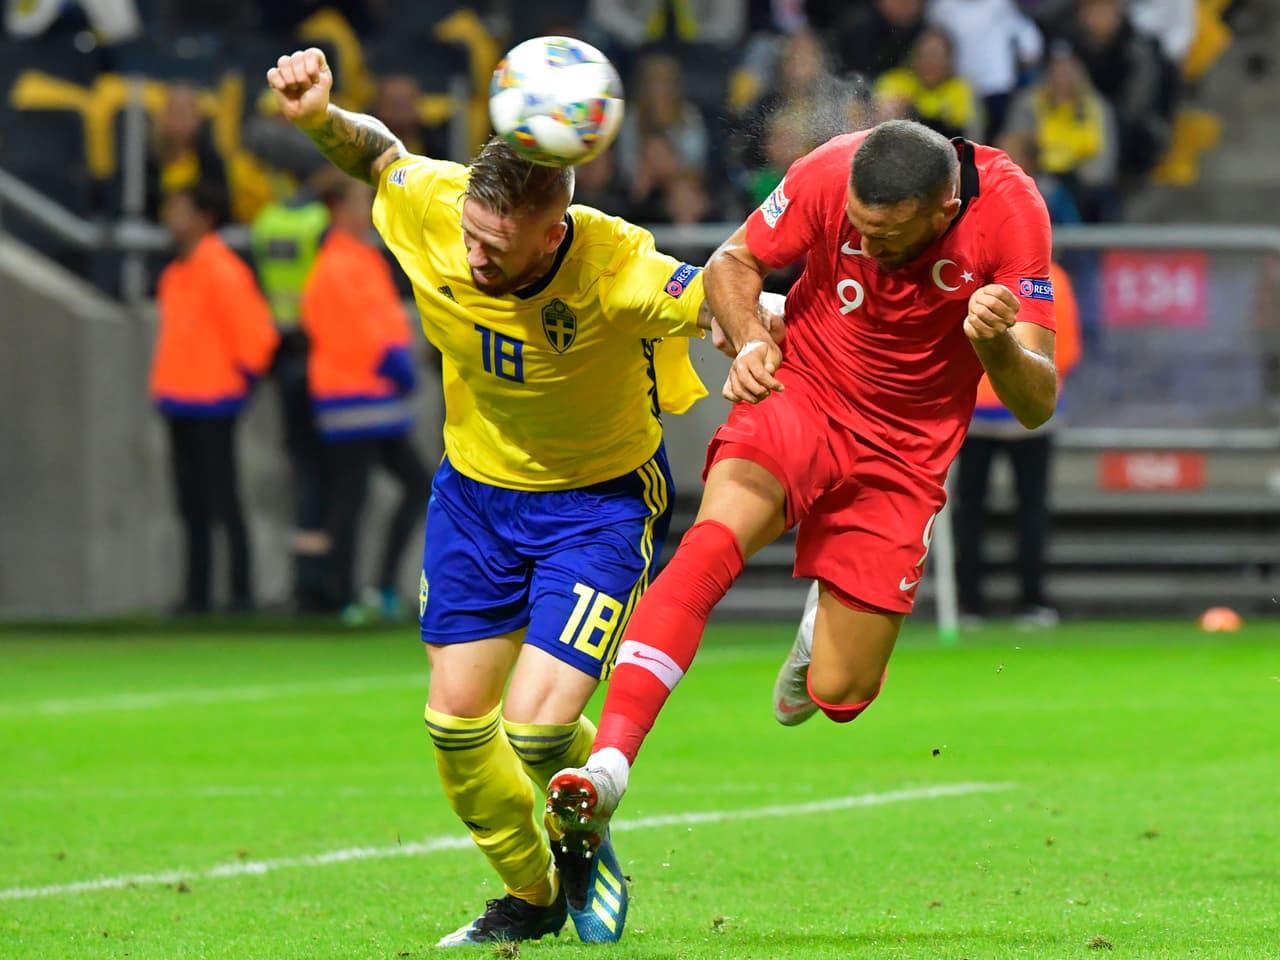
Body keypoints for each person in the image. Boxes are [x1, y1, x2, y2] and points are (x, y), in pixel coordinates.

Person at [267, 46, 757, 947]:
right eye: (470, 237)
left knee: (537, 731)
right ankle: (532, 896)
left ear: (552, 232)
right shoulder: (438, 209)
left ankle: (586, 812)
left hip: (596, 505)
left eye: (496, 248)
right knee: (454, 728)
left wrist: (749, 331)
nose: (473, 257)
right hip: (474, 500)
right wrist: (322, 120)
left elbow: (718, 291)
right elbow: (381, 156)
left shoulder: (615, 265)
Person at [547, 120, 1058, 860]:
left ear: (942, 211)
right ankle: (609, 767)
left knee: (840, 694)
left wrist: (994, 344)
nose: (867, 248)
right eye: (857, 228)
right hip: (806, 387)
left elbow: (1037, 401)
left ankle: (822, 627)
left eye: (885, 235)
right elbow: (734, 262)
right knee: (707, 548)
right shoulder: (830, 170)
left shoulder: (1011, 211)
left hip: (904, 450)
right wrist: (753, 336)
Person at [300, 176, 431, 624]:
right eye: (360, 203)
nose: (366, 212)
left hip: (370, 400)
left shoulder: (356, 257)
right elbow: (361, 330)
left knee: (391, 490)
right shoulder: (339, 263)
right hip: (354, 398)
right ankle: (349, 593)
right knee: (352, 499)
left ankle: (373, 588)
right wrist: (394, 362)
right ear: (337, 208)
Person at [149, 181, 279, 615]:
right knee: (192, 505)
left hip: (213, 401)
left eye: (182, 210)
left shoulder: (221, 270)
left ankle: (239, 592)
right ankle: (198, 594)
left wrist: (240, 385)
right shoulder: (176, 274)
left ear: (204, 218)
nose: (173, 219)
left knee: (222, 501)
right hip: (180, 402)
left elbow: (256, 335)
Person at [953, 259, 1081, 627]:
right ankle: (1025, 601)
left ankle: (976, 604)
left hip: (987, 410)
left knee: (975, 509)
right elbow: (1067, 351)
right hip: (1001, 411)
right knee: (1023, 508)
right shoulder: (1052, 277)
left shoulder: (966, 273)